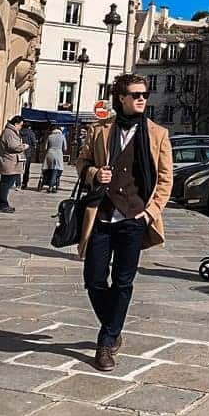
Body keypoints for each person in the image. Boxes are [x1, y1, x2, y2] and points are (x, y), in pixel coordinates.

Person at [76, 74, 173, 373]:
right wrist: (94, 174)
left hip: (134, 218)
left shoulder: (158, 134)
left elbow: (166, 178)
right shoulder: (100, 130)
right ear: (121, 98)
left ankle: (105, 343)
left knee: (122, 282)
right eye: (136, 94)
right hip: (102, 216)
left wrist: (150, 212)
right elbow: (81, 162)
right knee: (93, 279)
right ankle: (113, 325)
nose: (142, 99)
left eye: (145, 94)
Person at [0, 116, 28, 212]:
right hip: (8, 162)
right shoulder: (9, 132)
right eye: (20, 125)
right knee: (5, 183)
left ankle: (3, 204)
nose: (21, 127)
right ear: (16, 124)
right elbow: (14, 147)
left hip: (10, 162)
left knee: (7, 183)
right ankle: (2, 205)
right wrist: (24, 146)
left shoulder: (11, 132)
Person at [42, 125, 66, 193]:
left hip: (50, 154)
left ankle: (46, 181)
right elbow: (65, 148)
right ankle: (51, 186)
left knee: (48, 168)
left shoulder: (50, 136)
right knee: (56, 169)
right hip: (58, 154)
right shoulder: (62, 137)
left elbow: (45, 147)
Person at [20, 124, 38, 189]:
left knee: (18, 168)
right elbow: (34, 143)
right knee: (26, 169)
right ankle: (24, 184)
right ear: (29, 127)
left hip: (20, 152)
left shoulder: (19, 132)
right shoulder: (31, 133)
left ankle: (17, 183)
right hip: (28, 152)